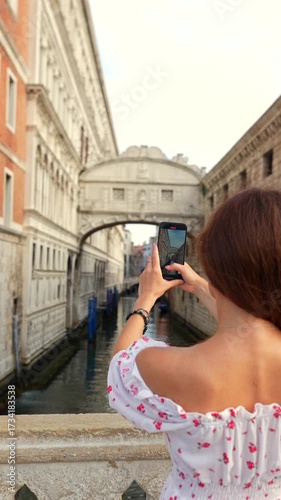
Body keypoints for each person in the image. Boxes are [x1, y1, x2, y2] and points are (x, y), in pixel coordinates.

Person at [107, 188, 281, 499]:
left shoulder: (168, 367)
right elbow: (249, 322)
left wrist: (146, 299)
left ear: (215, 265)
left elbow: (119, 365)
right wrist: (201, 286)